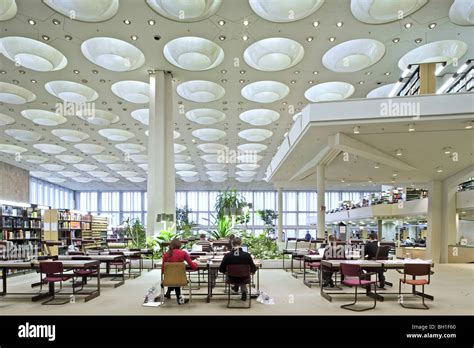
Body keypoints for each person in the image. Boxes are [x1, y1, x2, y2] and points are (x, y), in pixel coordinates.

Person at [219, 237, 257, 301]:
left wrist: (225, 272)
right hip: (244, 278)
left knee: (237, 274)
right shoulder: (247, 255)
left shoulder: (227, 255)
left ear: (232, 244)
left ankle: (236, 286)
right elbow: (253, 268)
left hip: (231, 278)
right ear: (241, 244)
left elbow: (221, 269)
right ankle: (244, 291)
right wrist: (252, 271)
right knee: (242, 274)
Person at [161, 238, 198, 305]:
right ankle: (179, 299)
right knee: (176, 276)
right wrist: (196, 263)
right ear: (179, 245)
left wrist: (165, 278)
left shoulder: (166, 254)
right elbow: (193, 266)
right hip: (181, 279)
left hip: (168, 279)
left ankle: (169, 293)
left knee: (173, 275)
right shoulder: (183, 253)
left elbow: (163, 270)